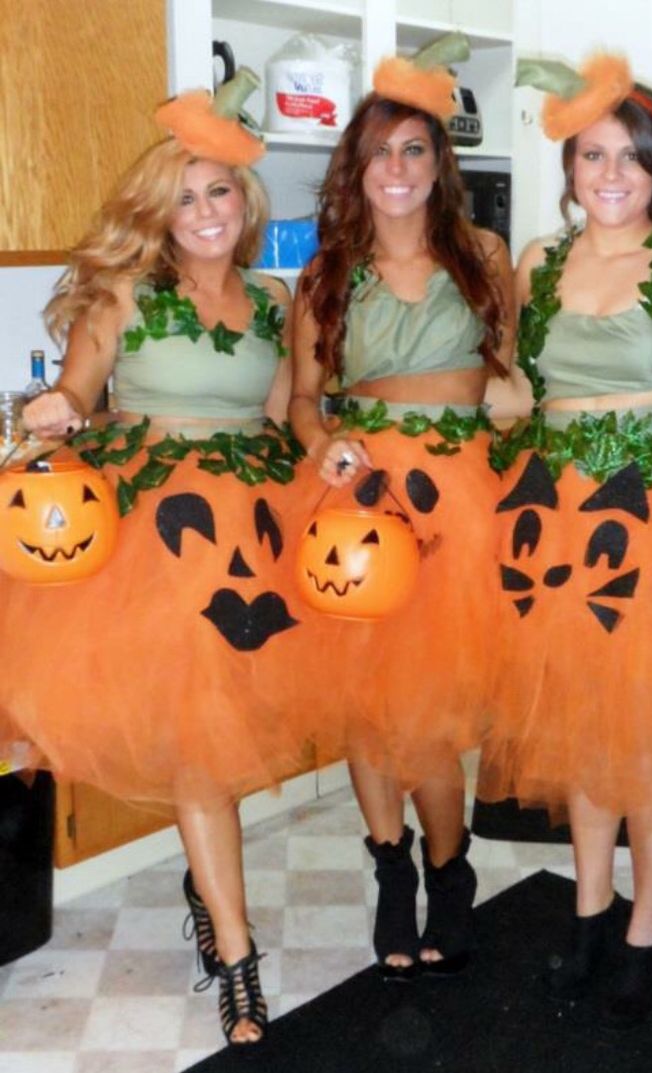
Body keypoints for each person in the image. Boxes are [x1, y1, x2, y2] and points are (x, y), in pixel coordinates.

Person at [0, 76, 327, 1045]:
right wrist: (50, 413)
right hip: (155, 534)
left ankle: (208, 886)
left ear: (247, 200)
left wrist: (337, 465)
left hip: (253, 534)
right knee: (198, 750)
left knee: (225, 739)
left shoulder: (277, 299)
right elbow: (71, 397)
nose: (204, 211)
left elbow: (284, 420)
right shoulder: (121, 294)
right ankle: (236, 955)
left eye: (218, 191)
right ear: (158, 209)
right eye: (184, 196)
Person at [478, 53, 652, 1025]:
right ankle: (588, 915)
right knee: (584, 730)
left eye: (632, 156)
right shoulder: (540, 263)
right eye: (593, 156)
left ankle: (646, 929)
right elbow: (514, 393)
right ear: (570, 168)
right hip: (556, 515)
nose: (612, 173)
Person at [289, 48, 514, 980]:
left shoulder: (487, 257)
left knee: (426, 714)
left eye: (414, 150)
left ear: (438, 164)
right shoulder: (326, 272)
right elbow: (304, 399)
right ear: (357, 168)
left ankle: (448, 869)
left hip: (460, 500)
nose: (397, 170)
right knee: (367, 707)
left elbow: (511, 379)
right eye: (379, 153)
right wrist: (322, 444)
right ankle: (392, 872)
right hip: (359, 497)